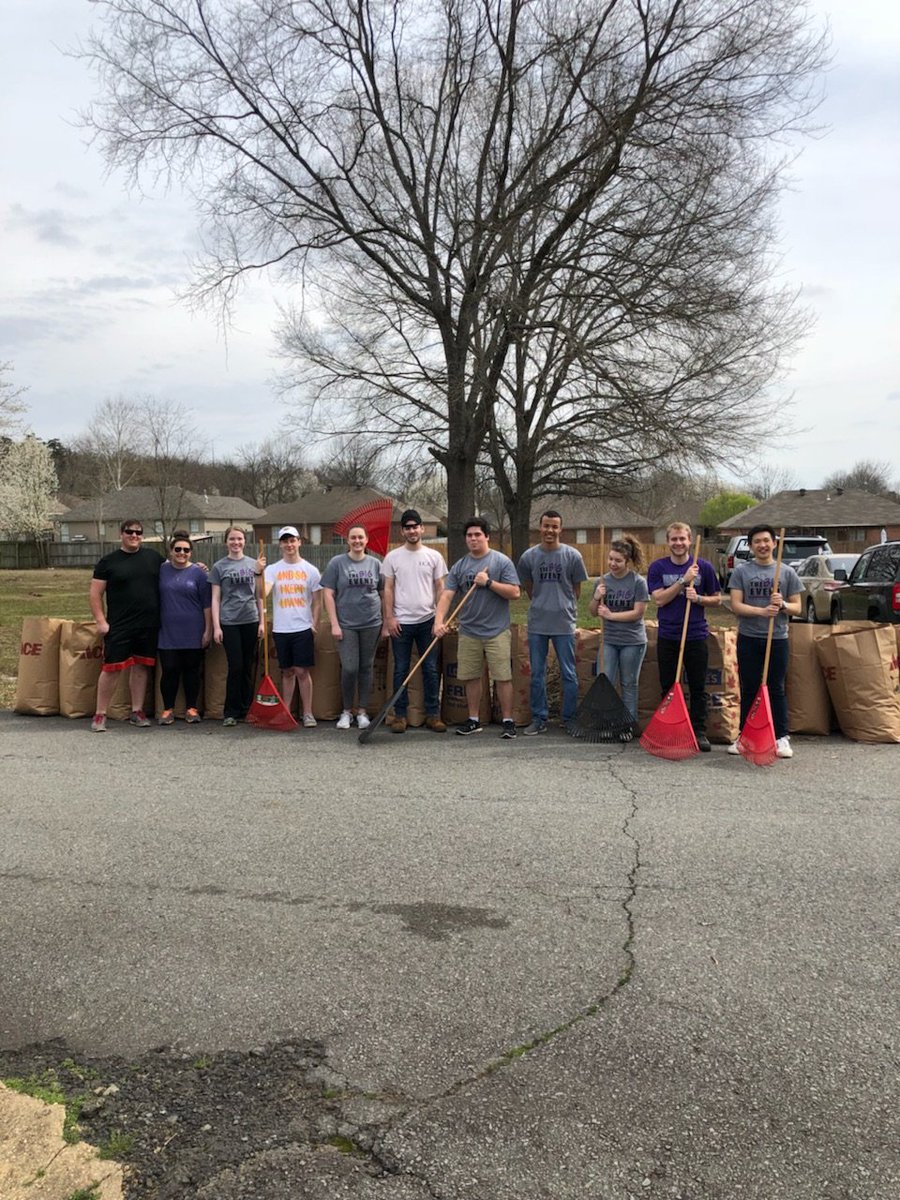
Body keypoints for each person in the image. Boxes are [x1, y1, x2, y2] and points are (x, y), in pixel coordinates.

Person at [434, 517, 521, 738]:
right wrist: (439, 621)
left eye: (477, 535)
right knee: (471, 677)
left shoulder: (501, 562)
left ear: (487, 536)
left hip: (496, 631)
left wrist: (489, 583)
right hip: (469, 631)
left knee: (502, 677)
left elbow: (515, 593)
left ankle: (508, 721)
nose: (473, 539)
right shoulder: (460, 566)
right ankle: (473, 719)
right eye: (469, 536)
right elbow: (447, 595)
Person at [728, 524, 803, 759]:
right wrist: (762, 611)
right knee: (749, 687)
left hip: (777, 638)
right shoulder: (741, 572)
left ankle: (780, 737)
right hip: (749, 638)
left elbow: (798, 608)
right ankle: (745, 735)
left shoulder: (787, 572)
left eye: (766, 541)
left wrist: (782, 605)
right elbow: (736, 605)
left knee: (776, 688)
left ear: (774, 543)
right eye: (757, 541)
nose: (762, 545)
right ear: (750, 546)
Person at [647, 522, 721, 752]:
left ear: (690, 541)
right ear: (667, 542)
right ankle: (670, 729)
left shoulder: (704, 567)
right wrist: (682, 581)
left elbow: (717, 599)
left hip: (696, 635)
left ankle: (698, 732)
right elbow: (659, 599)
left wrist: (698, 599)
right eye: (674, 539)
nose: (678, 543)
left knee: (698, 687)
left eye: (682, 539)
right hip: (669, 634)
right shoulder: (658, 567)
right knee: (668, 686)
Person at [517, 510, 588, 734]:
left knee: (569, 673)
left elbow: (576, 590)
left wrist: (562, 605)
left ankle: (568, 718)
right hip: (538, 622)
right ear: (540, 527)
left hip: (564, 623)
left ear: (560, 529)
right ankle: (539, 718)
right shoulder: (529, 557)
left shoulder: (573, 556)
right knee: (537, 673)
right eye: (546, 526)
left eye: (554, 526)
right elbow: (529, 587)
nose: (550, 530)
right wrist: (542, 603)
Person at [89, 519, 163, 731]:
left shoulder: (153, 558)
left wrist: (199, 567)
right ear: (121, 534)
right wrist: (101, 621)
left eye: (138, 532)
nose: (134, 536)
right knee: (111, 669)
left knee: (140, 667)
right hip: (119, 625)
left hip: (147, 625)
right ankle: (100, 714)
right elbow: (95, 594)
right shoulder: (108, 562)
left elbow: (177, 568)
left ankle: (137, 711)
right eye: (129, 532)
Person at [381, 509, 448, 734]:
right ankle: (400, 716)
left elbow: (441, 588)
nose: (412, 530)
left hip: (428, 621)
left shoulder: (434, 556)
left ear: (421, 529)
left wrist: (439, 618)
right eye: (407, 527)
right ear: (402, 531)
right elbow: (388, 589)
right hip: (401, 623)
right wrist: (389, 617)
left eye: (415, 526)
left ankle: (433, 715)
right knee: (400, 669)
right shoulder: (393, 557)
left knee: (430, 669)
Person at [321, 525, 383, 729]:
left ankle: (362, 711)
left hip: (371, 623)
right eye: (353, 538)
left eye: (360, 538)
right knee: (349, 668)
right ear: (347, 541)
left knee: (366, 666)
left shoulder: (375, 564)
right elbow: (328, 593)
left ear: (367, 541)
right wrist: (334, 623)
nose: (357, 541)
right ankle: (346, 711)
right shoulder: (337, 563)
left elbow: (384, 593)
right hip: (346, 624)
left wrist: (386, 621)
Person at [588, 535, 648, 735]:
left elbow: (638, 612)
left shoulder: (638, 582)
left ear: (628, 561)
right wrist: (596, 598)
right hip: (609, 640)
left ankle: (626, 726)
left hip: (632, 641)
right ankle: (606, 723)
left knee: (628, 684)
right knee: (604, 681)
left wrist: (611, 615)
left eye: (618, 560)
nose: (613, 563)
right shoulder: (601, 581)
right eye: (610, 559)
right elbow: (591, 611)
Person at [262, 526, 322, 728]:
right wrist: (257, 574)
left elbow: (317, 601)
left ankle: (307, 713)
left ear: (299, 542)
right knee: (287, 671)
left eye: (292, 540)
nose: (289, 545)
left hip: (302, 628)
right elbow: (262, 594)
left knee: (302, 671)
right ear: (280, 544)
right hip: (281, 628)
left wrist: (314, 624)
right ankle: (286, 711)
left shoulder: (310, 570)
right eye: (285, 541)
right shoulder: (272, 569)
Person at [210, 527, 265, 727]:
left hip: (250, 619)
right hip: (229, 621)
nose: (236, 542)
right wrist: (216, 626)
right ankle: (230, 711)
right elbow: (215, 599)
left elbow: (260, 595)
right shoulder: (219, 567)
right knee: (236, 666)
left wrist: (261, 622)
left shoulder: (254, 564)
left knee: (248, 667)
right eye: (232, 539)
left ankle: (246, 709)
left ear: (244, 541)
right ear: (226, 542)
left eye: (239, 539)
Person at [156, 531, 212, 725]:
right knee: (169, 669)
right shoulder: (161, 570)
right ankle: (167, 709)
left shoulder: (199, 573)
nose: (182, 553)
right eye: (177, 549)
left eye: (186, 550)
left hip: (193, 629)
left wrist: (208, 630)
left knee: (191, 670)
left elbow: (207, 603)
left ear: (191, 552)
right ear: (171, 551)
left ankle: (191, 708)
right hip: (167, 630)